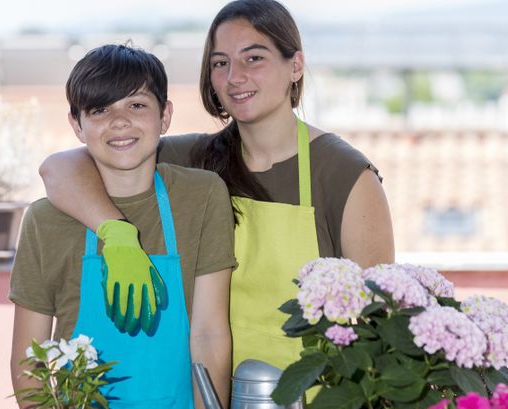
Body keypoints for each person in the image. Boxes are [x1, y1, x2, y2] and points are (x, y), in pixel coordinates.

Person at [38, 0, 395, 372]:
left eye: (253, 58)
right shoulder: (193, 159)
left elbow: (376, 326)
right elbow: (59, 169)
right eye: (220, 63)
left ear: (296, 65)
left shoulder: (346, 175)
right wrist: (118, 234)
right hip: (209, 404)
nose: (234, 77)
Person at [10, 44, 235, 409]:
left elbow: (209, 334)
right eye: (99, 110)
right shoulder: (44, 220)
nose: (119, 122)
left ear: (164, 115)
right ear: (77, 126)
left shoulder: (200, 197)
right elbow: (31, 360)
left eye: (136, 105)